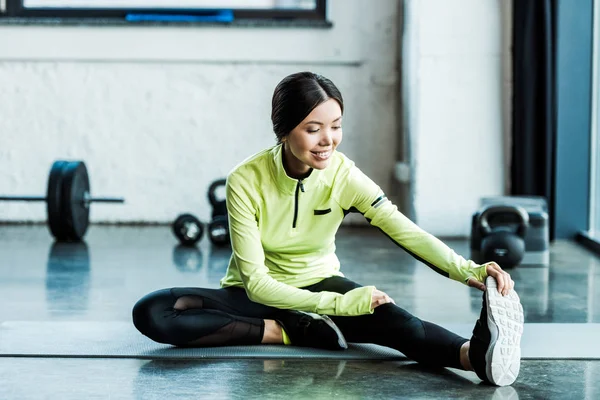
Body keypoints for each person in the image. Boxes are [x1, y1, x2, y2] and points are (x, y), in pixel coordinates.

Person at [132, 71, 524, 387]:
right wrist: (336, 306)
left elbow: (404, 230)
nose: (328, 141)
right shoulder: (245, 180)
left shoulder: (343, 175)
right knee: (154, 312)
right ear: (284, 131)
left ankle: (474, 356)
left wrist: (469, 271)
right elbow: (255, 282)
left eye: (335, 126)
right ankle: (286, 330)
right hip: (253, 296)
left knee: (396, 322)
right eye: (313, 128)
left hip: (319, 281)